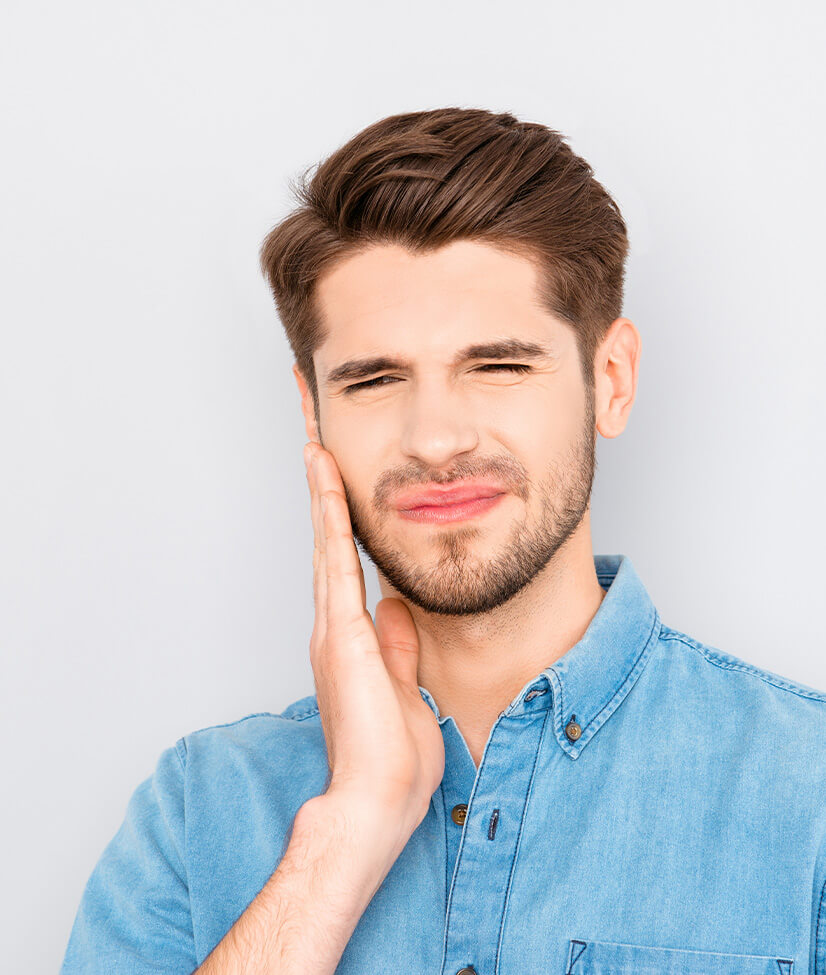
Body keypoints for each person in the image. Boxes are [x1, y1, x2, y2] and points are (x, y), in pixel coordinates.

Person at [60, 108, 826, 975]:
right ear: (314, 411)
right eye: (376, 379)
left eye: (498, 366)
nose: (434, 437)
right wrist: (347, 830)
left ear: (608, 380)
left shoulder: (811, 795)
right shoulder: (198, 809)